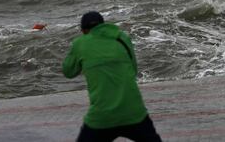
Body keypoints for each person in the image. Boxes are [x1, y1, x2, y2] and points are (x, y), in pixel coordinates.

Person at [62, 11, 162, 142]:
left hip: (102, 116)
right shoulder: (122, 38)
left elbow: (68, 71)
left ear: (84, 30)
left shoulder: (80, 44)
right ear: (103, 25)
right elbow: (133, 69)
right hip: (134, 112)